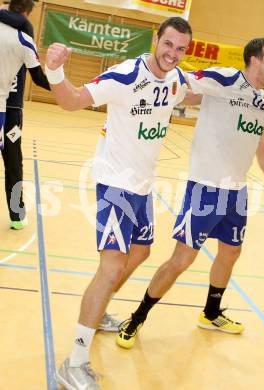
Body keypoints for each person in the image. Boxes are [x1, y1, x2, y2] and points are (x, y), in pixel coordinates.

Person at [116, 38, 264, 350]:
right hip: (205, 189)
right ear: (255, 60)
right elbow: (181, 82)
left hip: (237, 192)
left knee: (231, 253)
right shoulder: (224, 79)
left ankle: (211, 313)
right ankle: (138, 315)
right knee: (181, 259)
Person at [45, 17, 192, 389]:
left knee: (140, 253)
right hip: (114, 185)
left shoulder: (176, 80)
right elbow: (72, 100)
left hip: (142, 188)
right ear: (155, 39)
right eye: (168, 44)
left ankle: (99, 310)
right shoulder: (125, 76)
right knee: (110, 267)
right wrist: (55, 70)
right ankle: (74, 363)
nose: (172, 53)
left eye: (180, 48)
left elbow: (197, 90)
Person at [0, 0, 50, 230]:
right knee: (13, 162)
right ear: (29, 11)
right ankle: (17, 215)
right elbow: (39, 78)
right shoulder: (24, 37)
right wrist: (64, 90)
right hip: (10, 110)